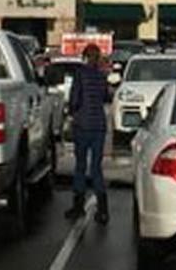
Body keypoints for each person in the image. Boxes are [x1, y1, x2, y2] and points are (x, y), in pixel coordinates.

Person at [65, 43, 110, 224]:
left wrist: (72, 112)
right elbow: (106, 97)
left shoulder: (80, 75)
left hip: (82, 125)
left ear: (84, 56)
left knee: (80, 166)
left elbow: (75, 99)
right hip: (98, 125)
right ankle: (103, 209)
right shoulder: (101, 76)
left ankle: (78, 207)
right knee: (96, 168)